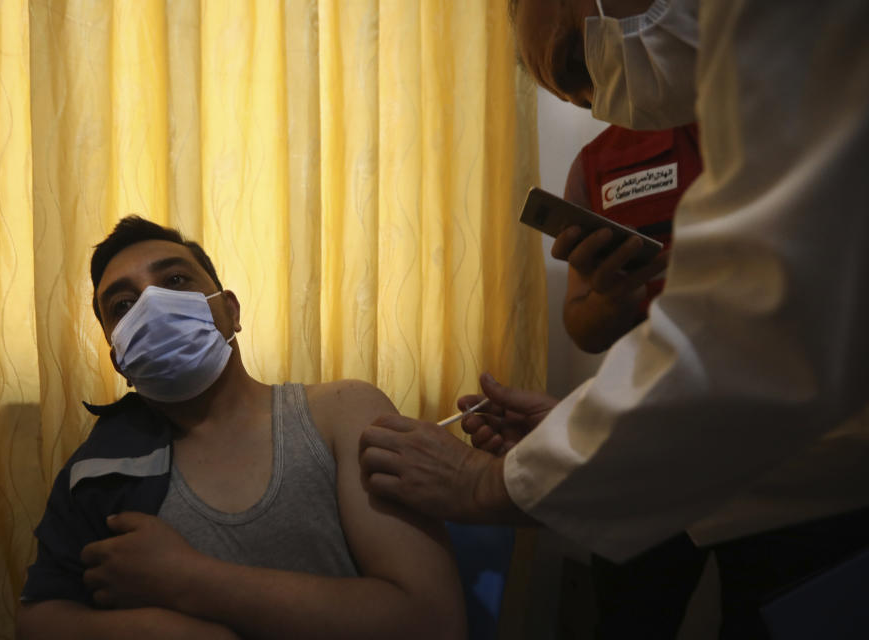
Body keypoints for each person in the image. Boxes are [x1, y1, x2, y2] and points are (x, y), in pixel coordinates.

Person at [358, 0, 869, 637]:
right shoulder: (606, 160)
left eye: (579, 58)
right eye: (571, 90)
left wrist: (483, 483)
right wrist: (582, 428)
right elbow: (719, 344)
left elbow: (761, 331)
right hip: (719, 438)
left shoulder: (787, 40)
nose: (597, 100)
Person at [16, 216, 466, 640]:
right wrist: (150, 631)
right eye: (123, 305)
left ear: (229, 310)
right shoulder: (103, 469)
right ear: (119, 359)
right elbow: (38, 617)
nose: (153, 307)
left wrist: (187, 580)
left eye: (175, 280)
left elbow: (433, 622)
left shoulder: (343, 414)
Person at [560, 121, 709, 638]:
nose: (580, 97)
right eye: (562, 87)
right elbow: (582, 326)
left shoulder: (758, 114)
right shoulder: (594, 163)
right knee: (630, 619)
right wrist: (611, 298)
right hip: (652, 441)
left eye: (576, 66)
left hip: (780, 432)